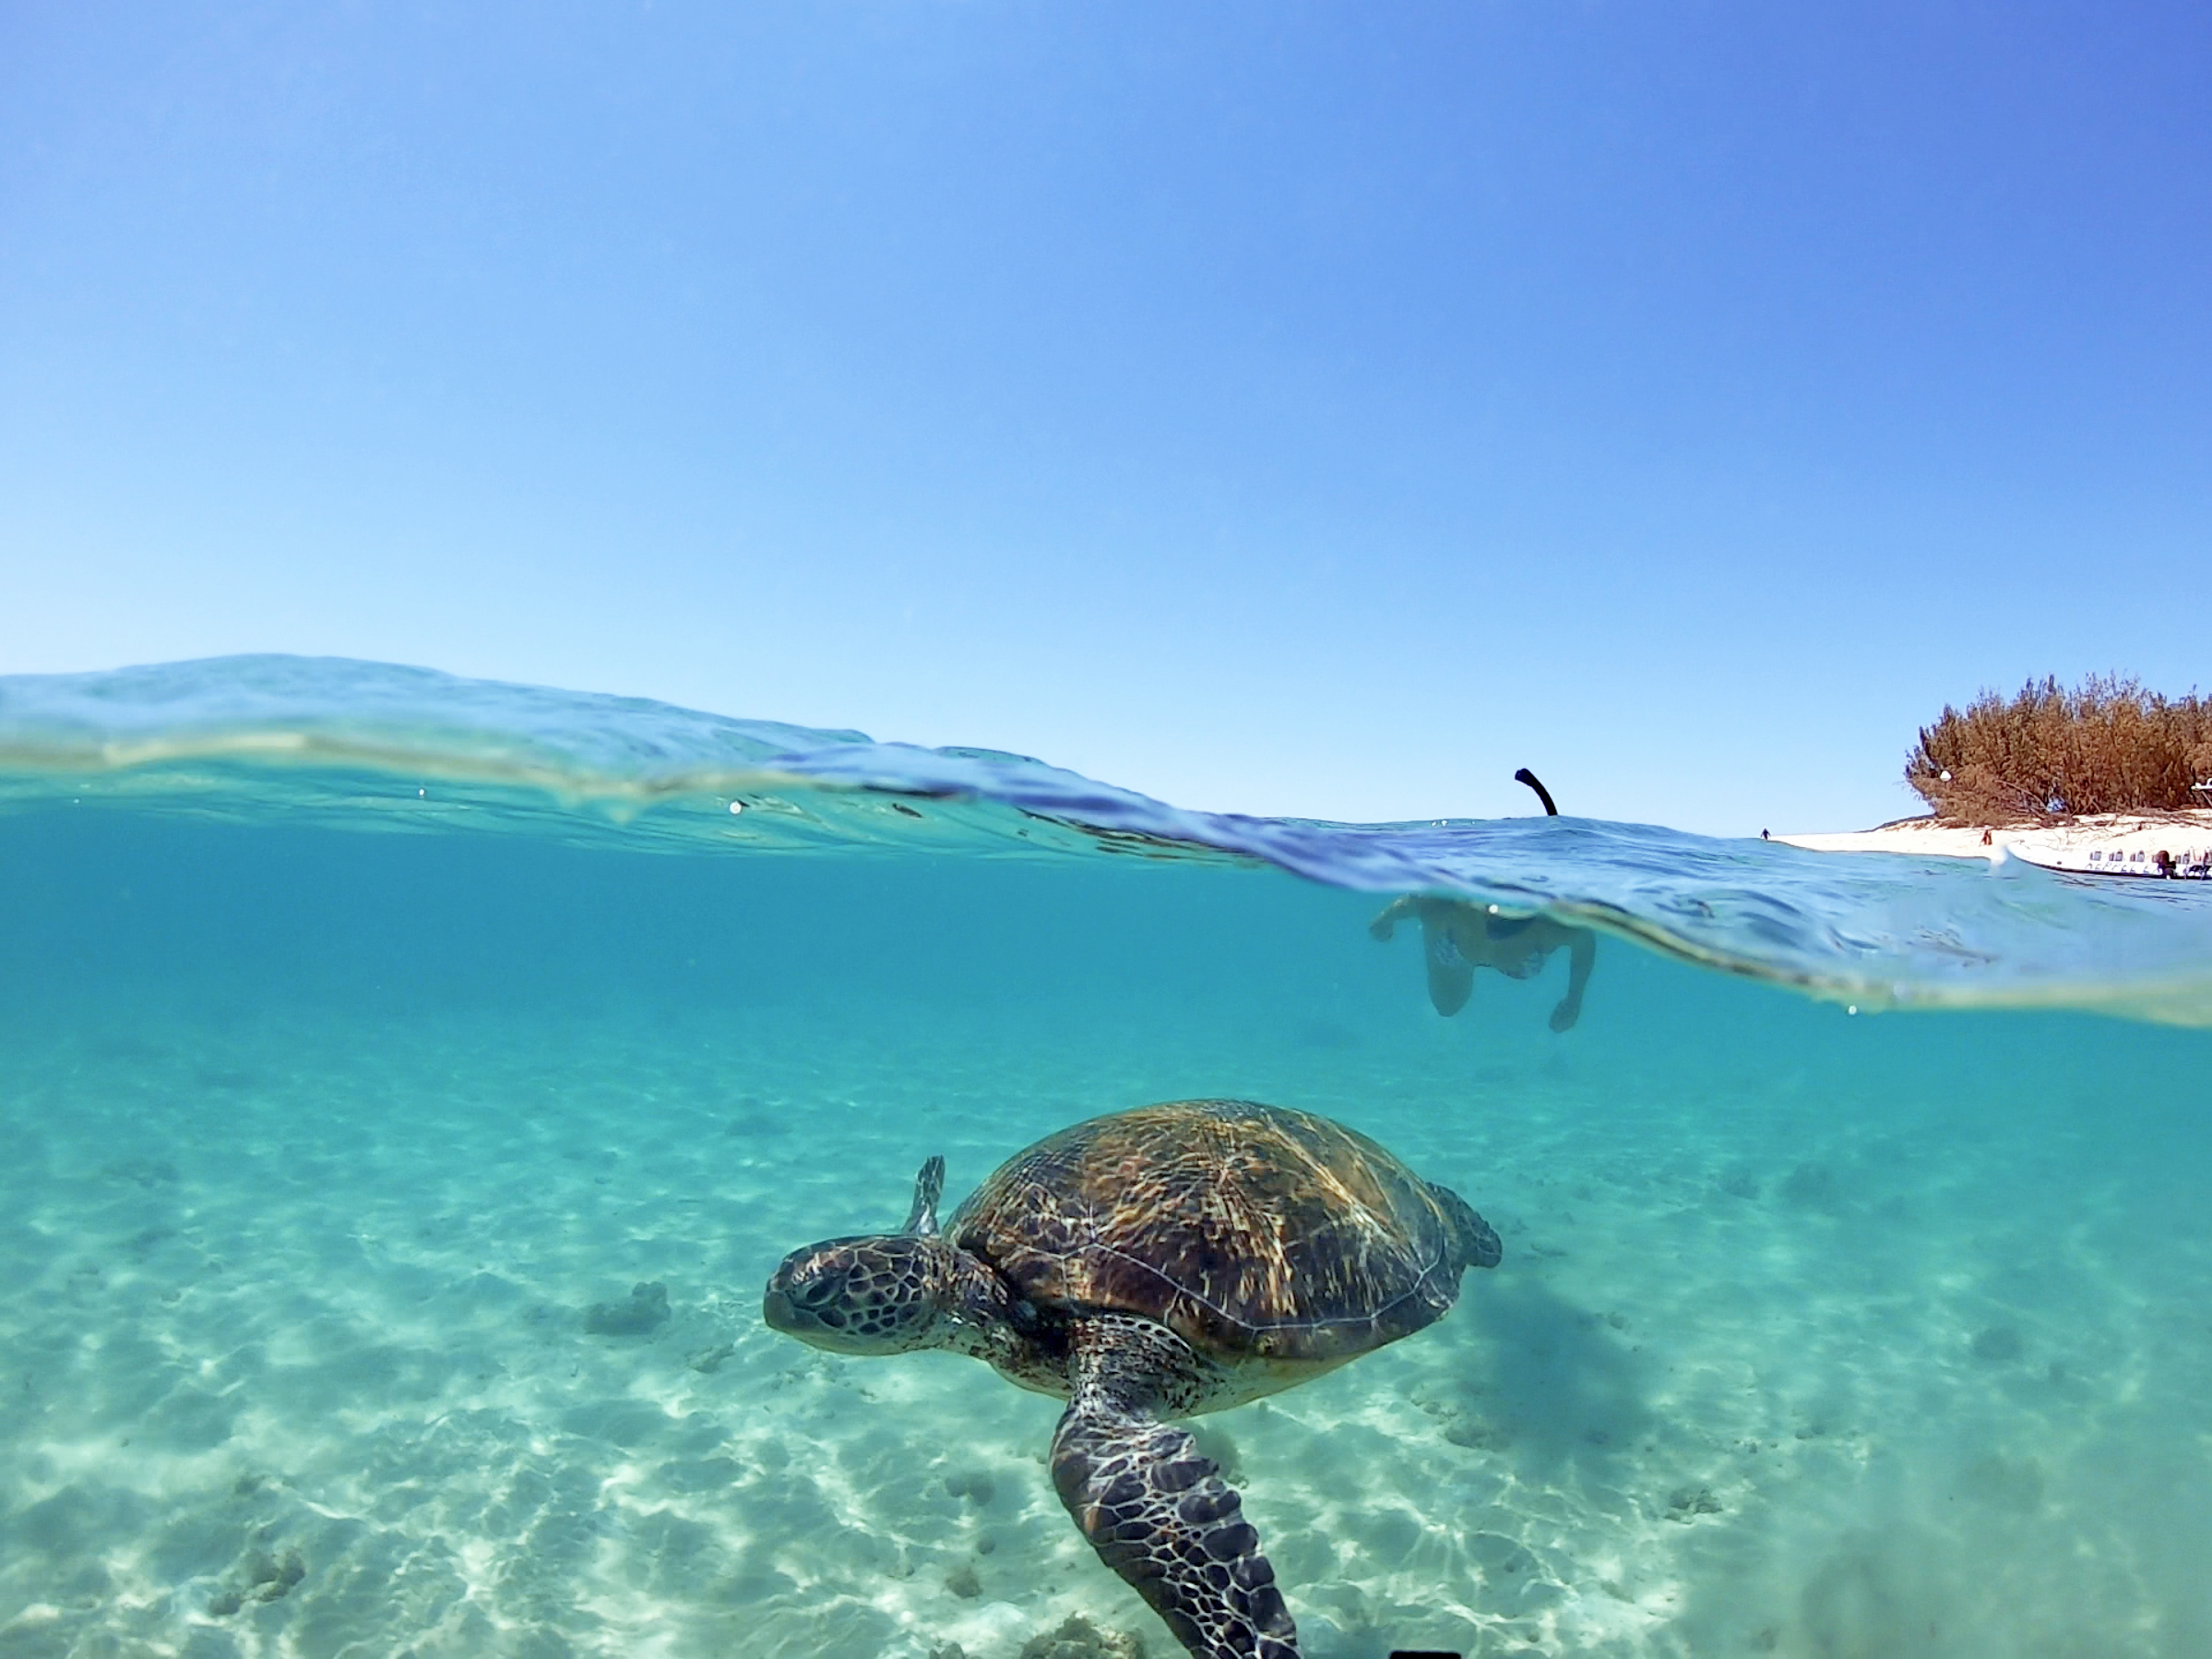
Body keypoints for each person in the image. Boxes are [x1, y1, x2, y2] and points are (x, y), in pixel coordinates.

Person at [1370, 895, 1597, 1032]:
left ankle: (1439, 934)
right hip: (1454, 943)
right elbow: (1413, 903)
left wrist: (1574, 999)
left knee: (1447, 1003)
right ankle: (1434, 934)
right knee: (1447, 1006)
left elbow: (1584, 942)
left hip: (1473, 940)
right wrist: (1385, 919)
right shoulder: (1452, 909)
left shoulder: (1548, 929)